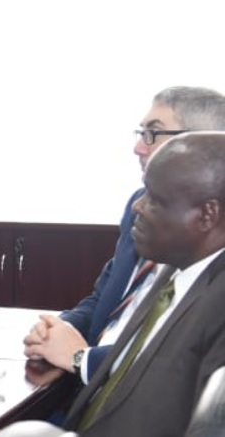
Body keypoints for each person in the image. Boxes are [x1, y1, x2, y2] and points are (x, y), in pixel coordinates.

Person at [24, 87, 225, 383]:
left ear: (200, 143)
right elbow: (104, 302)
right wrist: (56, 329)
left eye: (153, 134)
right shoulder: (142, 206)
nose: (138, 148)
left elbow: (179, 362)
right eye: (140, 132)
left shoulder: (206, 235)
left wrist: (82, 358)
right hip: (78, 384)